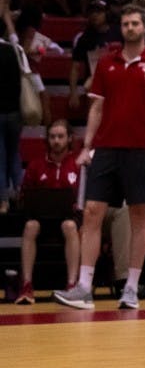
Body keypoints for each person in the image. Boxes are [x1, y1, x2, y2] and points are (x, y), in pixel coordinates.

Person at [53, 4, 145, 310]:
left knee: (139, 217)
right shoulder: (106, 61)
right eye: (125, 24)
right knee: (93, 211)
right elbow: (96, 108)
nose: (131, 28)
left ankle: (131, 289)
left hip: (143, 150)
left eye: (135, 23)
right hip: (107, 148)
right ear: (120, 28)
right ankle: (84, 287)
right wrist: (86, 146)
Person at [15, 120, 81, 304]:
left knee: (69, 226)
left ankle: (71, 284)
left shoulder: (77, 164)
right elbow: (24, 195)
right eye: (52, 137)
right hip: (41, 219)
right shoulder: (36, 165)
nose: (56, 141)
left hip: (68, 218)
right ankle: (27, 285)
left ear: (69, 138)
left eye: (60, 136)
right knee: (30, 226)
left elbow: (85, 197)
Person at [67, 0, 123, 112]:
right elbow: (75, 67)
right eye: (92, 12)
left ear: (106, 13)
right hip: (96, 77)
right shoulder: (84, 38)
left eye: (99, 12)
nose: (94, 15)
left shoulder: (119, 32)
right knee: (90, 86)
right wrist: (73, 93)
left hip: (119, 74)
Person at [0, 34, 24, 214]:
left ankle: (4, 201)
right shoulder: (12, 50)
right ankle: (21, 195)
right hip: (14, 112)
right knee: (14, 153)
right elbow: (20, 80)